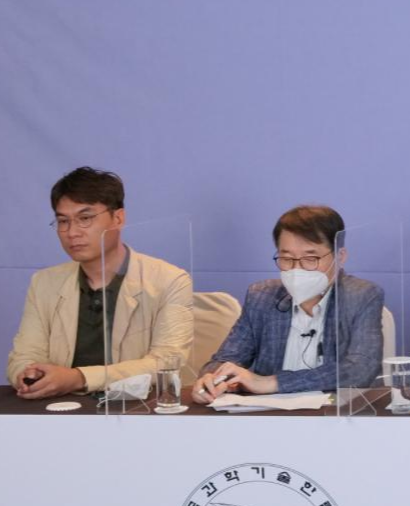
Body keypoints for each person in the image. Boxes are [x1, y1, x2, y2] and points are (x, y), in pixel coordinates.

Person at [8, 167, 193, 398]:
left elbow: (166, 362)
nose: (72, 232)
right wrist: (28, 374)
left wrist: (78, 378)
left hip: (135, 409)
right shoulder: (44, 283)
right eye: (63, 221)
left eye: (85, 219)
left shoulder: (170, 280)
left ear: (118, 218)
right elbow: (24, 355)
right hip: (60, 407)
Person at [191, 205, 384, 401]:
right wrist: (213, 379)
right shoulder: (262, 296)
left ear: (339, 257)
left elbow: (360, 370)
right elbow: (227, 358)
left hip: (335, 412)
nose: (297, 268)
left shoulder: (361, 295)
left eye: (311, 258)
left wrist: (271, 382)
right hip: (270, 414)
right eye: (286, 258)